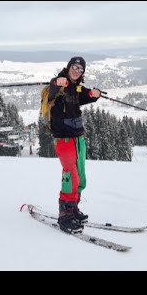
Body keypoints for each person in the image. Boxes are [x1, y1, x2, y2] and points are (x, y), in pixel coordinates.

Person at [48, 56, 101, 234]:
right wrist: (57, 82)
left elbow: (85, 94)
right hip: (63, 138)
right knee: (70, 175)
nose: (77, 71)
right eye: (75, 67)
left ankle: (73, 209)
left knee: (81, 175)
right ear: (69, 67)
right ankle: (65, 216)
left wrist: (95, 94)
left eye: (81, 69)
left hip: (78, 137)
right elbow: (52, 89)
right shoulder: (59, 83)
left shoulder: (76, 87)